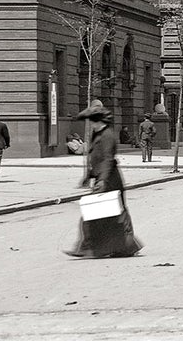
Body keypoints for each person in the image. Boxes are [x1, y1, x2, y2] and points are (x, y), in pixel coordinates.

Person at [66, 100, 142, 258]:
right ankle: (123, 247)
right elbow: (96, 157)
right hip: (104, 179)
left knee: (95, 214)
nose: (91, 124)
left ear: (99, 120)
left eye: (93, 121)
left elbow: (107, 159)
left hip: (110, 180)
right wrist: (88, 176)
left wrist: (102, 180)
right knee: (112, 216)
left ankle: (86, 247)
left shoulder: (107, 135)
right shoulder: (99, 134)